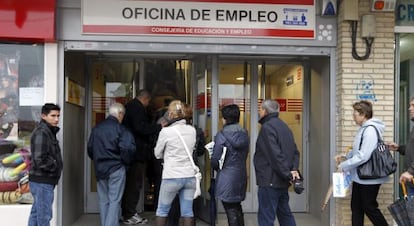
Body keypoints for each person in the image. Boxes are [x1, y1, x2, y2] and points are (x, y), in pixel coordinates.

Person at [338, 100, 389, 226]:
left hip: (369, 178)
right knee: (356, 208)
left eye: (355, 113)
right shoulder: (364, 129)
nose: (353, 116)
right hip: (361, 177)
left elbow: (363, 156)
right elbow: (359, 151)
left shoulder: (370, 130)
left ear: (363, 114)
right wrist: (345, 156)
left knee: (369, 207)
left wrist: (344, 165)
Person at [87, 103, 136, 226]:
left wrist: (98, 160)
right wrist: (125, 163)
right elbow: (128, 149)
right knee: (115, 201)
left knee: (104, 201)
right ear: (119, 114)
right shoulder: (121, 129)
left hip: (100, 169)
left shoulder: (97, 128)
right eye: (122, 115)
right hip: (116, 168)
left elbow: (90, 149)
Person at [253, 99, 300, 226]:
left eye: (260, 109)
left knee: (266, 218)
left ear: (265, 111)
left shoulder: (267, 128)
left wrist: (288, 174)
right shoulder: (285, 127)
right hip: (282, 182)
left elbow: (275, 156)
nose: (259, 112)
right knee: (285, 215)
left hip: (270, 181)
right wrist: (292, 171)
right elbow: (295, 152)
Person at [121, 89, 163, 225]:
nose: (147, 105)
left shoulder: (130, 106)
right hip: (136, 153)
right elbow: (141, 128)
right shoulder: (137, 108)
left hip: (132, 152)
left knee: (131, 184)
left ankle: (127, 212)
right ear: (145, 99)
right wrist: (158, 127)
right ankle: (130, 214)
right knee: (134, 184)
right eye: (148, 102)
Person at [154, 100, 197, 226]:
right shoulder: (192, 130)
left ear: (171, 114)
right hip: (189, 176)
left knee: (162, 210)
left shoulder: (166, 132)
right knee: (188, 212)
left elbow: (157, 154)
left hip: (172, 176)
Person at [166, 103, 206, 226]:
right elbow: (200, 151)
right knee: (189, 205)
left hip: (173, 171)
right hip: (190, 170)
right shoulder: (196, 131)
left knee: (173, 203)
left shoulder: (170, 130)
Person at [211, 104, 249, 226]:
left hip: (227, 176)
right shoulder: (244, 134)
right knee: (237, 206)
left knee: (230, 209)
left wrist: (215, 166)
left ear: (225, 119)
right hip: (241, 174)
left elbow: (216, 159)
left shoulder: (221, 135)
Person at [28, 103, 63, 226]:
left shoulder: (48, 131)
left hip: (43, 180)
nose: (56, 119)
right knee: (44, 216)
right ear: (43, 116)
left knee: (37, 213)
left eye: (58, 116)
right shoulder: (42, 132)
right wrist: (55, 167)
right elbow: (40, 159)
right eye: (53, 116)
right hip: (42, 180)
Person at [389, 97, 414, 194]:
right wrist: (399, 148)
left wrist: (411, 171)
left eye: (413, 105)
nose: (410, 108)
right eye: (410, 105)